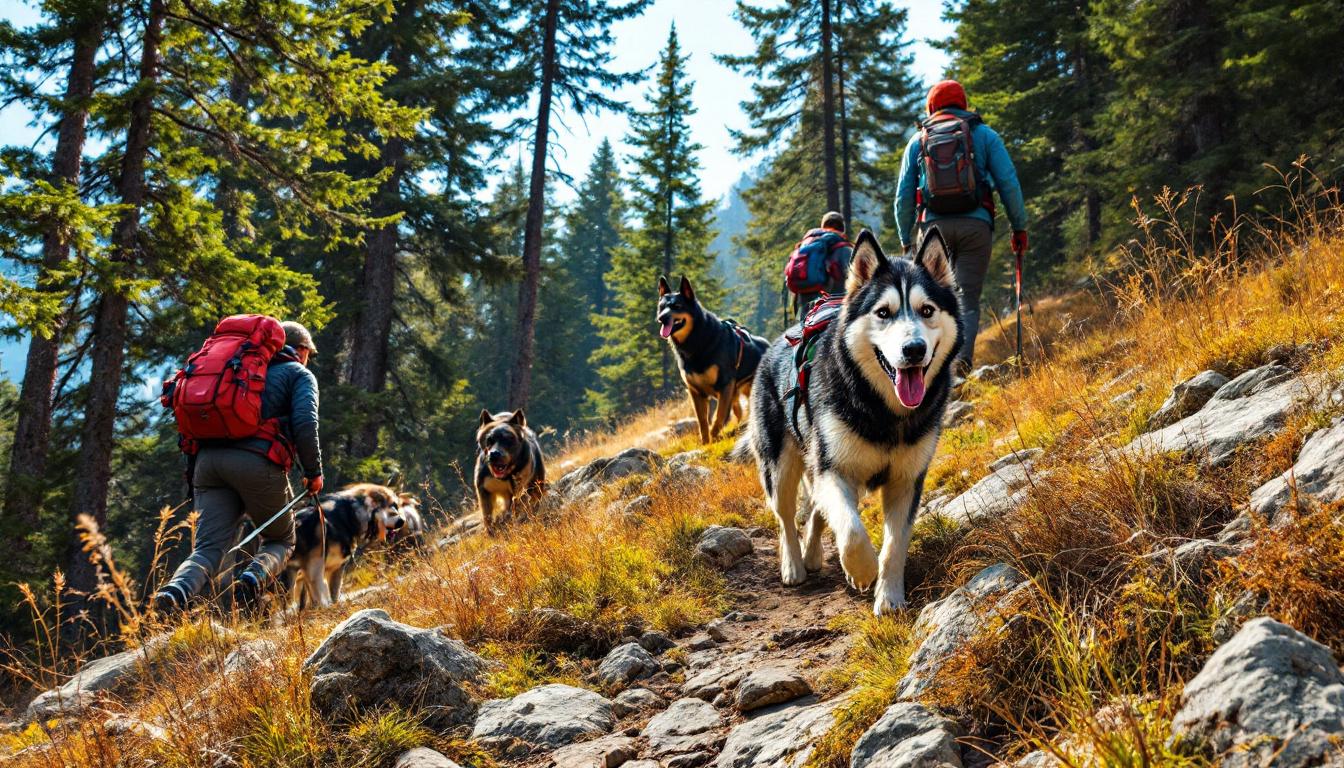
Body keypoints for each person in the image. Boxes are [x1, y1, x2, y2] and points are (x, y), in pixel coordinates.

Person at [153, 321, 324, 614]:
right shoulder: (299, 374)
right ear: (302, 350)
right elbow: (306, 424)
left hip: (208, 465)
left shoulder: (231, 371)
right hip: (257, 463)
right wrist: (313, 472)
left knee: (207, 549)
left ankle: (175, 592)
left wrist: (194, 480)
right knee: (281, 539)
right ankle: (252, 580)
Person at [895, 79, 1027, 374]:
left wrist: (907, 240)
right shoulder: (984, 135)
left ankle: (933, 366)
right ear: (964, 104)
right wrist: (1019, 227)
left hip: (932, 231)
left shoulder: (919, 140)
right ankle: (962, 364)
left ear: (932, 106)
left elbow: (903, 197)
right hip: (975, 225)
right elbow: (1008, 182)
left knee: (928, 299)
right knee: (966, 298)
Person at [788, 211, 853, 320]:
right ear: (842, 228)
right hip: (834, 309)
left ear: (823, 226)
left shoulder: (805, 246)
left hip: (806, 309)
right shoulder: (845, 249)